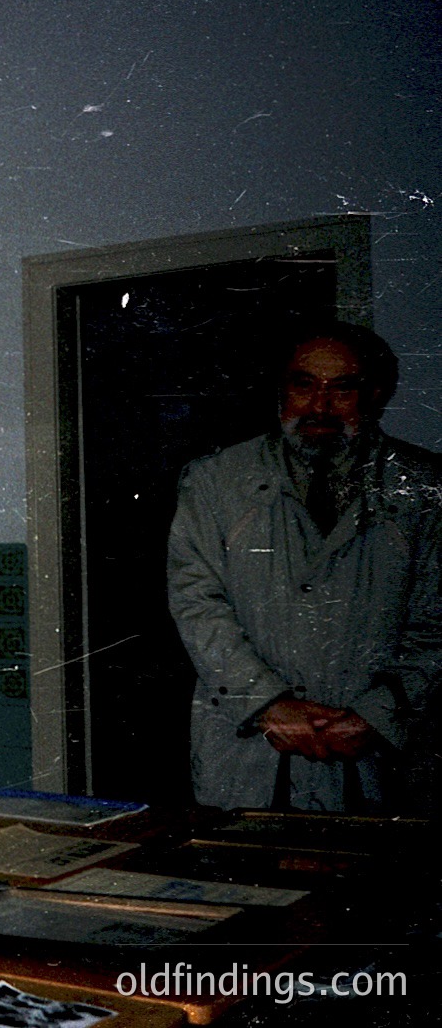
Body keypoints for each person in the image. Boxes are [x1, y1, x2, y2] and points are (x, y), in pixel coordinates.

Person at [167, 320, 441, 813]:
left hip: (378, 753)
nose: (320, 406)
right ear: (281, 389)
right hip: (250, 747)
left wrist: (377, 715)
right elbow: (196, 604)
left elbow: (436, 624)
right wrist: (267, 703)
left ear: (375, 394)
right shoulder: (216, 481)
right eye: (304, 384)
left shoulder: (423, 487)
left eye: (343, 388)